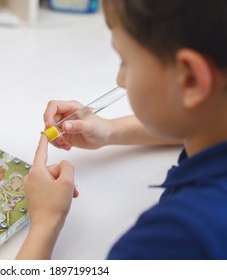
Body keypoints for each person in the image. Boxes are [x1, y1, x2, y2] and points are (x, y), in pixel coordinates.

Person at [16, 0, 227, 260]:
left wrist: (46, 221)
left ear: (191, 79)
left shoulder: (174, 238)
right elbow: (196, 121)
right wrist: (110, 131)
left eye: (125, 61)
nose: (120, 80)